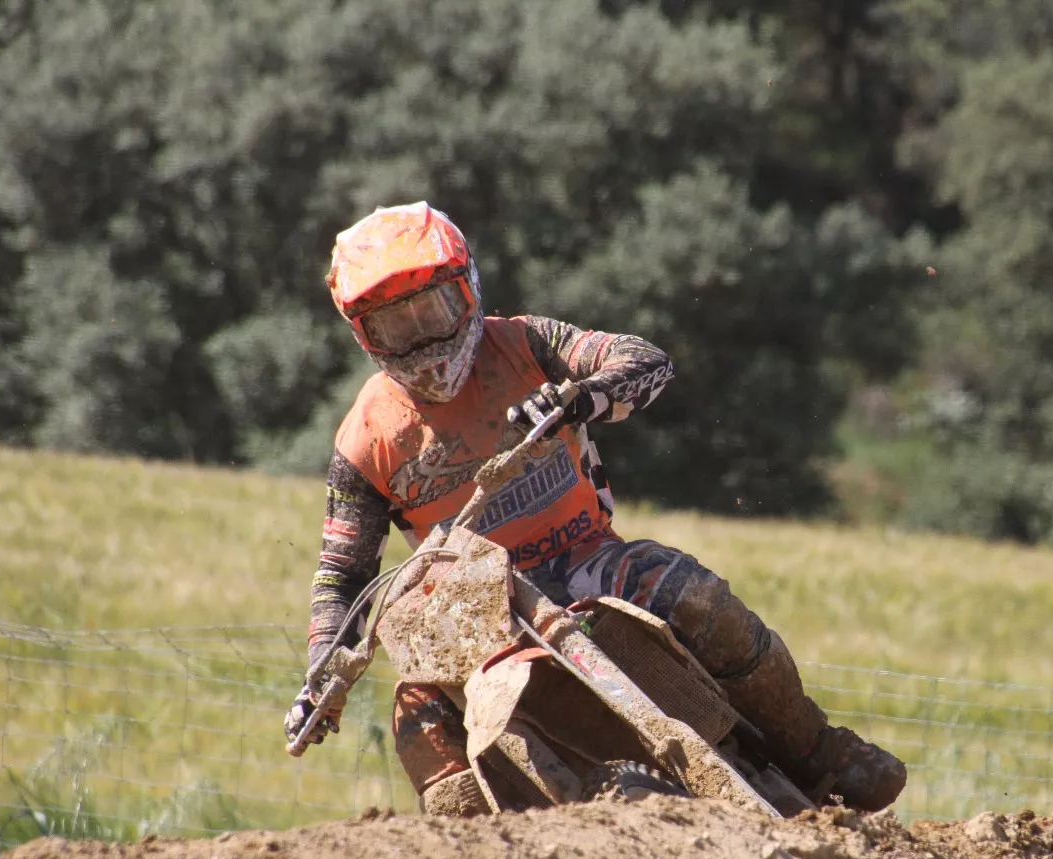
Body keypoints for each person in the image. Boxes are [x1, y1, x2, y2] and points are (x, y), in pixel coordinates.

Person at [284, 201, 905, 812]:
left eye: (433, 310)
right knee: (420, 726)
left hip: (585, 562)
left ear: (466, 290)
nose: (422, 341)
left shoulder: (526, 344)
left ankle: (819, 750)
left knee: (685, 589)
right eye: (397, 326)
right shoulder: (364, 438)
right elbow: (343, 575)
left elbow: (646, 361)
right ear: (365, 334)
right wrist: (322, 678)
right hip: (475, 617)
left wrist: (580, 397)